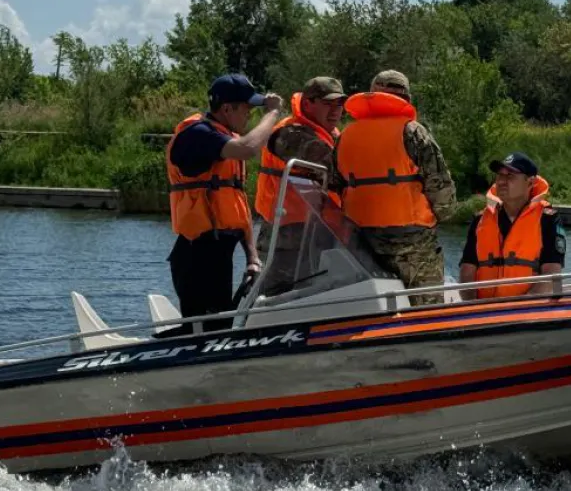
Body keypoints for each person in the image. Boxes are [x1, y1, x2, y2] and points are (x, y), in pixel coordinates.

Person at [164, 72, 283, 327]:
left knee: (218, 325)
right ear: (227, 108)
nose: (249, 115)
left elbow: (236, 206)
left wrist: (252, 256)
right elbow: (248, 149)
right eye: (247, 109)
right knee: (206, 329)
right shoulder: (198, 134)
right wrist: (272, 114)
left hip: (219, 251)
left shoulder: (223, 137)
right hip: (197, 255)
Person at [328, 69, 456, 305]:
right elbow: (440, 186)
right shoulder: (412, 131)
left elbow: (334, 186)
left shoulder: (345, 136)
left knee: (374, 306)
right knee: (427, 310)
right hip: (414, 240)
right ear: (406, 98)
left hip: (363, 240)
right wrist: (443, 215)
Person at [252, 76, 347, 293]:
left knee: (316, 294)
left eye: (339, 105)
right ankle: (247, 324)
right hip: (286, 235)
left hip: (320, 233)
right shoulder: (290, 133)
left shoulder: (333, 136)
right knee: (274, 296)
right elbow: (333, 165)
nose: (335, 111)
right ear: (307, 103)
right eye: (327, 104)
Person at [459, 152, 565, 300]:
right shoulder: (480, 220)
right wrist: (474, 307)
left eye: (510, 176)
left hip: (530, 312)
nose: (502, 181)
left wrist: (518, 310)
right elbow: (467, 271)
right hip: (483, 312)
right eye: (500, 176)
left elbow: (552, 275)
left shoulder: (548, 219)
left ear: (530, 182)